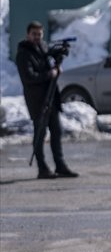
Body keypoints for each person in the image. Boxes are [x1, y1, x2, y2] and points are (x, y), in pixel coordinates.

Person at [15, 21, 78, 180]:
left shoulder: (42, 47)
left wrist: (59, 54)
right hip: (37, 100)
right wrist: (50, 74)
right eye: (34, 34)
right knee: (40, 134)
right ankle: (42, 168)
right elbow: (29, 77)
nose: (37, 37)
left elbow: (50, 56)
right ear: (28, 35)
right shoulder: (23, 53)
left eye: (39, 34)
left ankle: (60, 165)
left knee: (57, 131)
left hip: (51, 97)